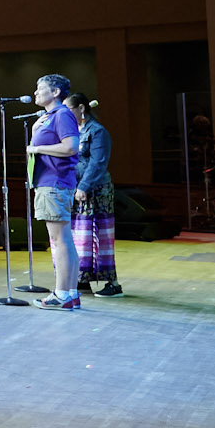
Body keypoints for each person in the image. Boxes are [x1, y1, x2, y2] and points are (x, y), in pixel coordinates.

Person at [26, 72, 84, 309]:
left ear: (56, 92)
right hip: (51, 182)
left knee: (59, 241)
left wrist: (38, 148)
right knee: (64, 240)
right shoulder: (50, 117)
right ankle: (70, 293)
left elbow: (71, 146)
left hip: (55, 183)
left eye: (40, 88)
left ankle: (61, 295)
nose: (36, 92)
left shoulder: (61, 114)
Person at [69, 93, 121, 297]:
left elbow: (98, 163)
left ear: (81, 108)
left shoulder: (98, 131)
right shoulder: (75, 131)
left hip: (97, 190)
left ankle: (113, 283)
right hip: (78, 190)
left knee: (101, 235)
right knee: (81, 236)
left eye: (70, 109)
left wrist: (83, 186)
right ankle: (83, 280)